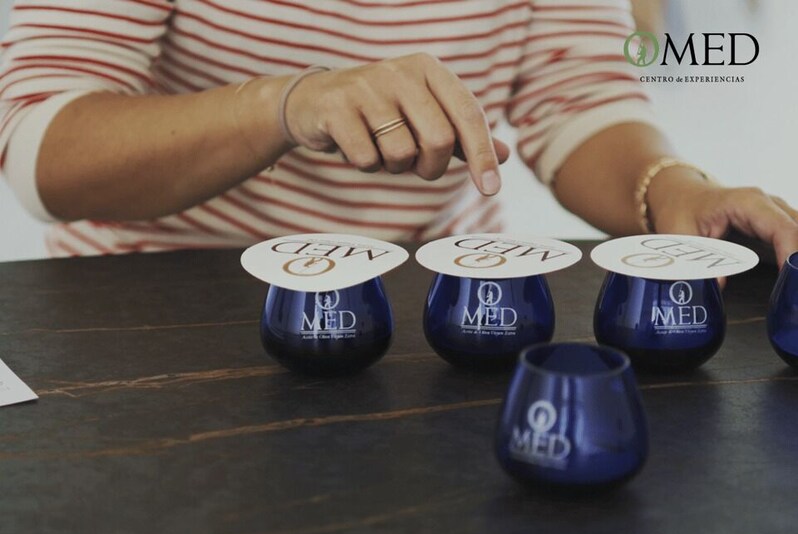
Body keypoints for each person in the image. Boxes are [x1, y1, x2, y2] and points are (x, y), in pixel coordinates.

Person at [0, 0, 796, 265]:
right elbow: (43, 152)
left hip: (424, 313)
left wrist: (673, 189)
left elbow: (577, 98)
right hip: (154, 312)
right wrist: (285, 106)